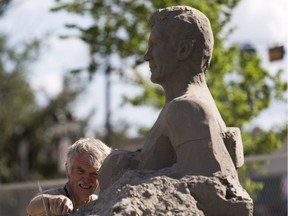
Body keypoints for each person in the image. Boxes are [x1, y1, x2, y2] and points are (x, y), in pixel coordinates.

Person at [99, 6, 243, 191]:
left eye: (155, 45)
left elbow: (210, 187)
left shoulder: (187, 108)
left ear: (183, 49)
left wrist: (127, 177)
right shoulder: (183, 107)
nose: (147, 56)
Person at [26, 138, 111, 216]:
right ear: (68, 170)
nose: (87, 179)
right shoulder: (57, 199)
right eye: (81, 171)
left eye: (94, 173)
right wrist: (52, 201)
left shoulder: (99, 204)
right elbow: (32, 208)